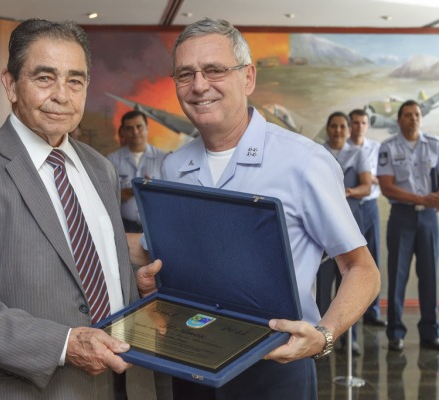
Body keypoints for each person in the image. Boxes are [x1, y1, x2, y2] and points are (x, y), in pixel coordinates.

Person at [130, 18, 380, 399]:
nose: (199, 86)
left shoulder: (304, 161)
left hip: (274, 368)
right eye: (185, 74)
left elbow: (361, 268)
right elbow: (156, 252)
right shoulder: (173, 167)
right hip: (190, 361)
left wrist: (324, 337)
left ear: (248, 78)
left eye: (214, 70)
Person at [0, 19, 166, 399]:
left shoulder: (100, 168)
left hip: (126, 383)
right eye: (45, 78)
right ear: (10, 83)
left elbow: (90, 275)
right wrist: (63, 344)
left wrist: (135, 287)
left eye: (75, 80)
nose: (62, 95)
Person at [378, 99, 439, 352]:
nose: (413, 118)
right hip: (402, 217)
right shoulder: (388, 147)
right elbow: (387, 186)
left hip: (428, 219)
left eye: (416, 114)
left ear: (420, 118)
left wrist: (430, 201)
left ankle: (430, 332)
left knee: (430, 276)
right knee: (398, 276)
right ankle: (395, 332)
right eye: (407, 114)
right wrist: (421, 198)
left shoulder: (434, 145)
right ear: (399, 119)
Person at [318, 111, 372, 356]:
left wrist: (347, 193)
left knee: (349, 286)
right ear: (327, 129)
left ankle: (349, 340)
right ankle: (317, 338)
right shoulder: (316, 152)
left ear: (348, 130)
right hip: (321, 230)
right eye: (334, 126)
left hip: (350, 225)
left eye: (342, 127)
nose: (338, 131)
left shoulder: (358, 153)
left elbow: (367, 186)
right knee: (322, 285)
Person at [348, 108, 387, 327]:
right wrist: (367, 178)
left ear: (367, 125)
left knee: (372, 256)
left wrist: (367, 178)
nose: (359, 126)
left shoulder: (377, 148)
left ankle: (372, 312)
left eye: (363, 123)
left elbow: (384, 178)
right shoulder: (343, 149)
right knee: (352, 259)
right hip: (349, 208)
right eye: (355, 122)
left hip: (370, 206)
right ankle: (350, 313)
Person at [107, 110, 167, 232]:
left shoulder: (164, 159)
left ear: (147, 128)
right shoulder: (111, 160)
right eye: (129, 128)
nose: (135, 132)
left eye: (139, 127)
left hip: (156, 225)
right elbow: (108, 198)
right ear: (123, 131)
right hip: (124, 226)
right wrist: (133, 189)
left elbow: (169, 197)